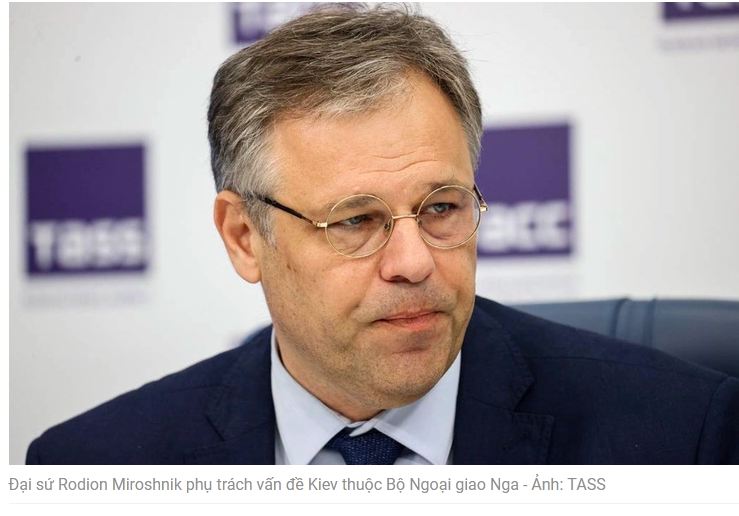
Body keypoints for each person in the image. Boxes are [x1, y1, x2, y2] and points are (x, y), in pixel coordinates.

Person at [27, 4, 738, 465]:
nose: (413, 261)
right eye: (355, 221)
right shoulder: (97, 467)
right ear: (244, 237)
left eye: (441, 208)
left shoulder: (680, 438)